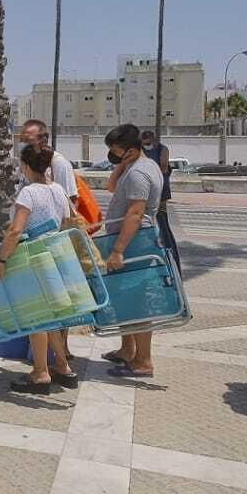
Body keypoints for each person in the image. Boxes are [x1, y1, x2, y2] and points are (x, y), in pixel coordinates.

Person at [0, 145, 76, 392]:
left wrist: (1, 260)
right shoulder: (59, 191)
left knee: (37, 318)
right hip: (56, 258)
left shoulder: (29, 193)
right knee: (52, 317)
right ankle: (63, 366)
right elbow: (66, 222)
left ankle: (41, 372)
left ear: (27, 166)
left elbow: (16, 230)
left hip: (33, 260)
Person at [100, 124, 166, 379]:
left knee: (136, 301)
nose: (113, 154)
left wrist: (118, 250)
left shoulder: (140, 173)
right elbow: (111, 187)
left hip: (134, 242)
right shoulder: (135, 167)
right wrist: (122, 163)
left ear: (130, 149)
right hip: (129, 240)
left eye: (116, 150)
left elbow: (136, 213)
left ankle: (143, 360)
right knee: (125, 298)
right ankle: (128, 350)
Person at [140, 129, 181, 268]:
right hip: (146, 190)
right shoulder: (140, 150)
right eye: (144, 142)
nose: (146, 145)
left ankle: (171, 259)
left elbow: (163, 167)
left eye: (148, 142)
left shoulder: (162, 149)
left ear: (153, 139)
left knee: (163, 224)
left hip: (160, 191)